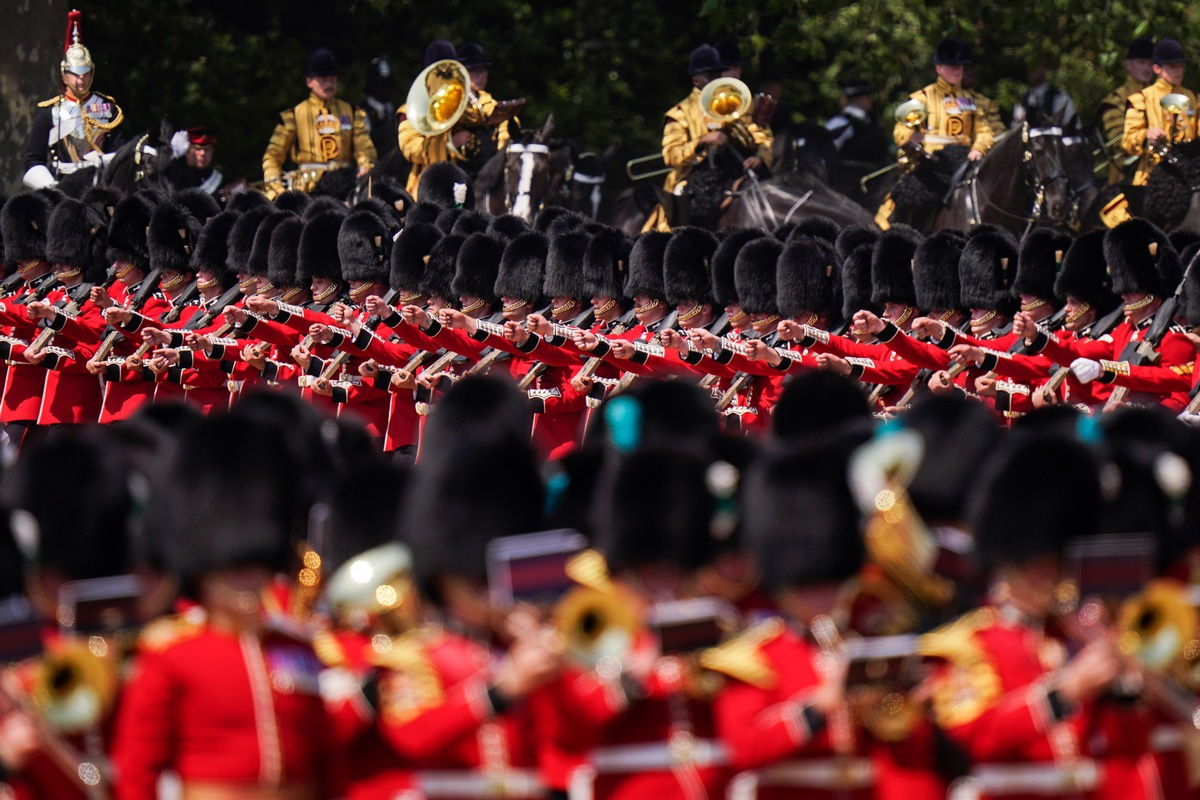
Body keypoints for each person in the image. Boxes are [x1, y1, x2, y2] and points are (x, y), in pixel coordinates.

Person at [645, 44, 773, 231]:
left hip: (732, 168)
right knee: (696, 204)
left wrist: (760, 156)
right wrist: (702, 141)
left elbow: (758, 133)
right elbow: (670, 156)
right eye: (708, 74)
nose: (714, 78)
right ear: (695, 78)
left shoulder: (731, 101)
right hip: (692, 175)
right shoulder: (679, 113)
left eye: (717, 73)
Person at [397, 40, 517, 198]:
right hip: (432, 186)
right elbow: (410, 147)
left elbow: (506, 129)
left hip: (476, 178)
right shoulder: (410, 109)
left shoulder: (475, 102)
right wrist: (450, 144)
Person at [23, 9, 125, 190]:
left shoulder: (108, 108)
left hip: (99, 185)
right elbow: (33, 160)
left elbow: (119, 152)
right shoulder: (49, 112)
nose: (81, 80)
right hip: (60, 185)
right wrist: (50, 188)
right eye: (76, 74)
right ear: (64, 76)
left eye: (86, 74)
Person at [262, 47, 376, 199]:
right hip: (307, 188)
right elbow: (272, 156)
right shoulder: (294, 115)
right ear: (309, 81)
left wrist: (365, 165)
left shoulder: (352, 112)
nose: (329, 83)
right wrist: (276, 186)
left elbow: (365, 149)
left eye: (332, 78)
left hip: (346, 186)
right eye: (323, 79)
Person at [1122, 37, 1197, 186]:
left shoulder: (1193, 97)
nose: (1178, 71)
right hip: (1154, 174)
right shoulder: (1141, 99)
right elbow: (1128, 141)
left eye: (1181, 66)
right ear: (1157, 69)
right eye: (1172, 67)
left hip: (1190, 173)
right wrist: (1146, 134)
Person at [1097, 36, 1154, 185]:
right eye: (1141, 63)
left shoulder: (1160, 97)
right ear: (1128, 65)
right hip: (1127, 176)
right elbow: (1119, 141)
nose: (1147, 68)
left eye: (1150, 63)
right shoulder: (1115, 100)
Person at [825, 81, 889, 207]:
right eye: (867, 96)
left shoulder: (872, 121)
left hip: (872, 179)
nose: (870, 100)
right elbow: (828, 150)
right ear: (857, 98)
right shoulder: (842, 121)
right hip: (847, 182)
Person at [1012, 61, 1080, 133]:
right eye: (1029, 67)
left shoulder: (1060, 98)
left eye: (1034, 67)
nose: (1030, 71)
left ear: (1046, 69)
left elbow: (1074, 130)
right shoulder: (1023, 100)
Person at [164, 127, 227, 195]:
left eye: (207, 149)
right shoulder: (174, 176)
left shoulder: (218, 179)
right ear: (186, 150)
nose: (203, 153)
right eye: (197, 148)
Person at [362, 58, 399, 159]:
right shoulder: (362, 113)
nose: (387, 89)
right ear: (371, 87)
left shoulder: (396, 109)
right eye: (382, 85)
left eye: (389, 84)